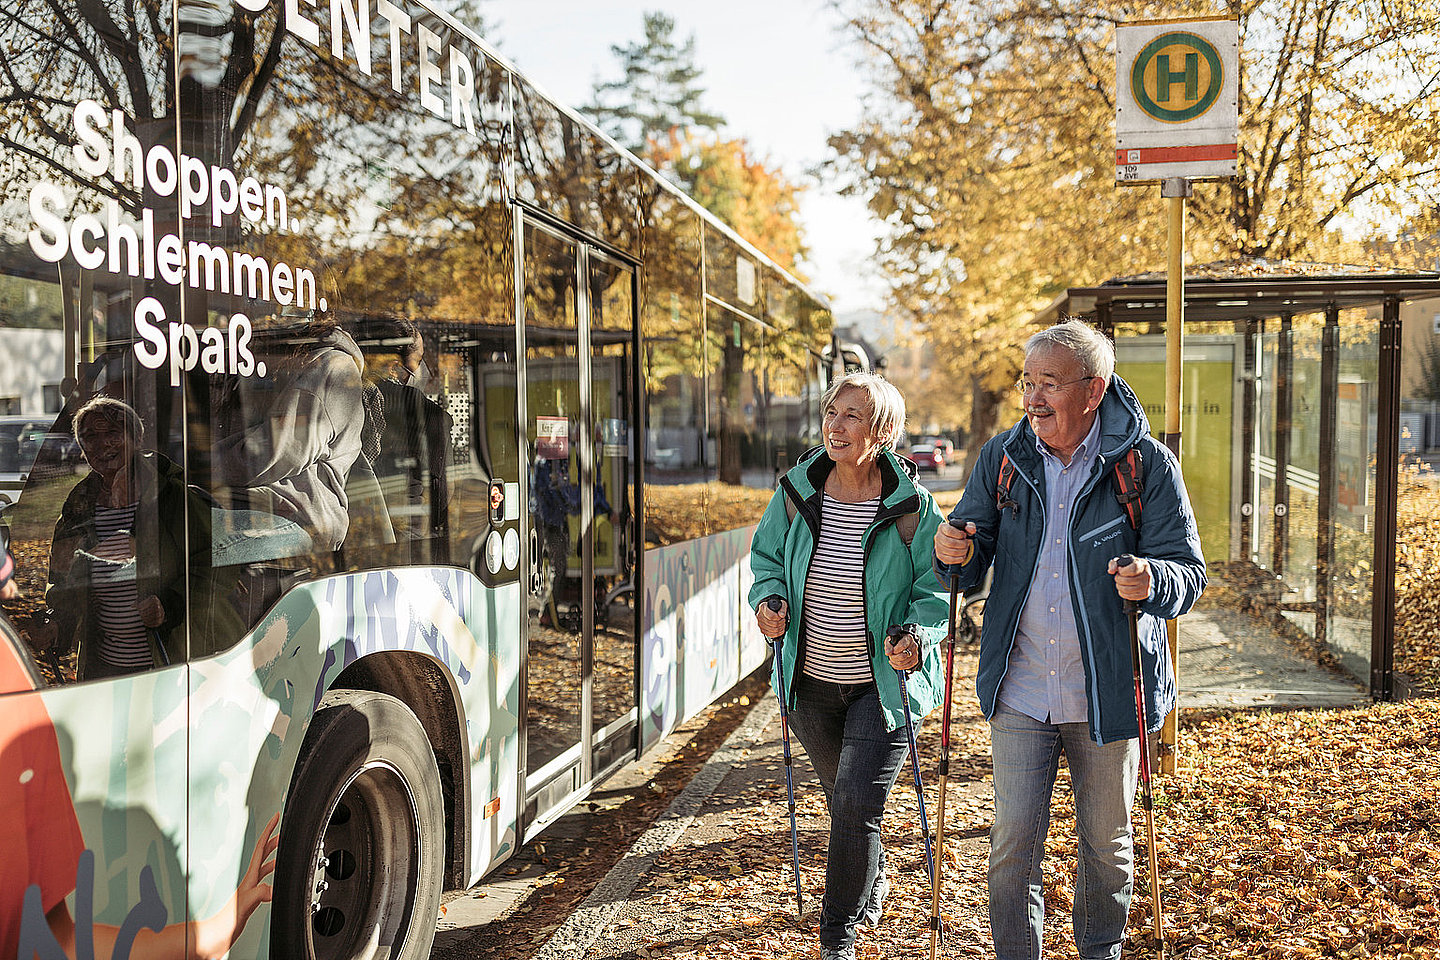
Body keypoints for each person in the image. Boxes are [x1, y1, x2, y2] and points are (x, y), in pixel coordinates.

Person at [932, 320, 1206, 960]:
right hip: (1022, 687)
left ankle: (1099, 950)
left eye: (1048, 384)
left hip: (1110, 688)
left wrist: (1151, 579)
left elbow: (1186, 572)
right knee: (1011, 845)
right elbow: (965, 563)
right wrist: (954, 552)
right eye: (1028, 382)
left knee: (1107, 848)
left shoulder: (1144, 467)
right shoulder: (1004, 458)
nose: (1032, 398)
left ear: (1094, 389)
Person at [749, 372, 949, 960]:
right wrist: (768, 602)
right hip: (808, 683)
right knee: (848, 803)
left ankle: (837, 934)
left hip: (880, 687)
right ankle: (873, 877)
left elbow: (933, 588)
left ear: (881, 431)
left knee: (859, 803)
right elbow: (765, 559)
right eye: (831, 412)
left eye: (852, 416)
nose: (834, 426)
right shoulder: (797, 492)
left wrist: (916, 635)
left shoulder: (912, 508)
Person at [43, 397, 241, 679]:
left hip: (177, 661)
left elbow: (222, 560)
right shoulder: (79, 506)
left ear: (136, 439)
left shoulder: (172, 495)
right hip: (105, 668)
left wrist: (170, 603)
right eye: (90, 437)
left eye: (113, 433)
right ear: (82, 449)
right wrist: (57, 624)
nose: (103, 444)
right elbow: (64, 581)